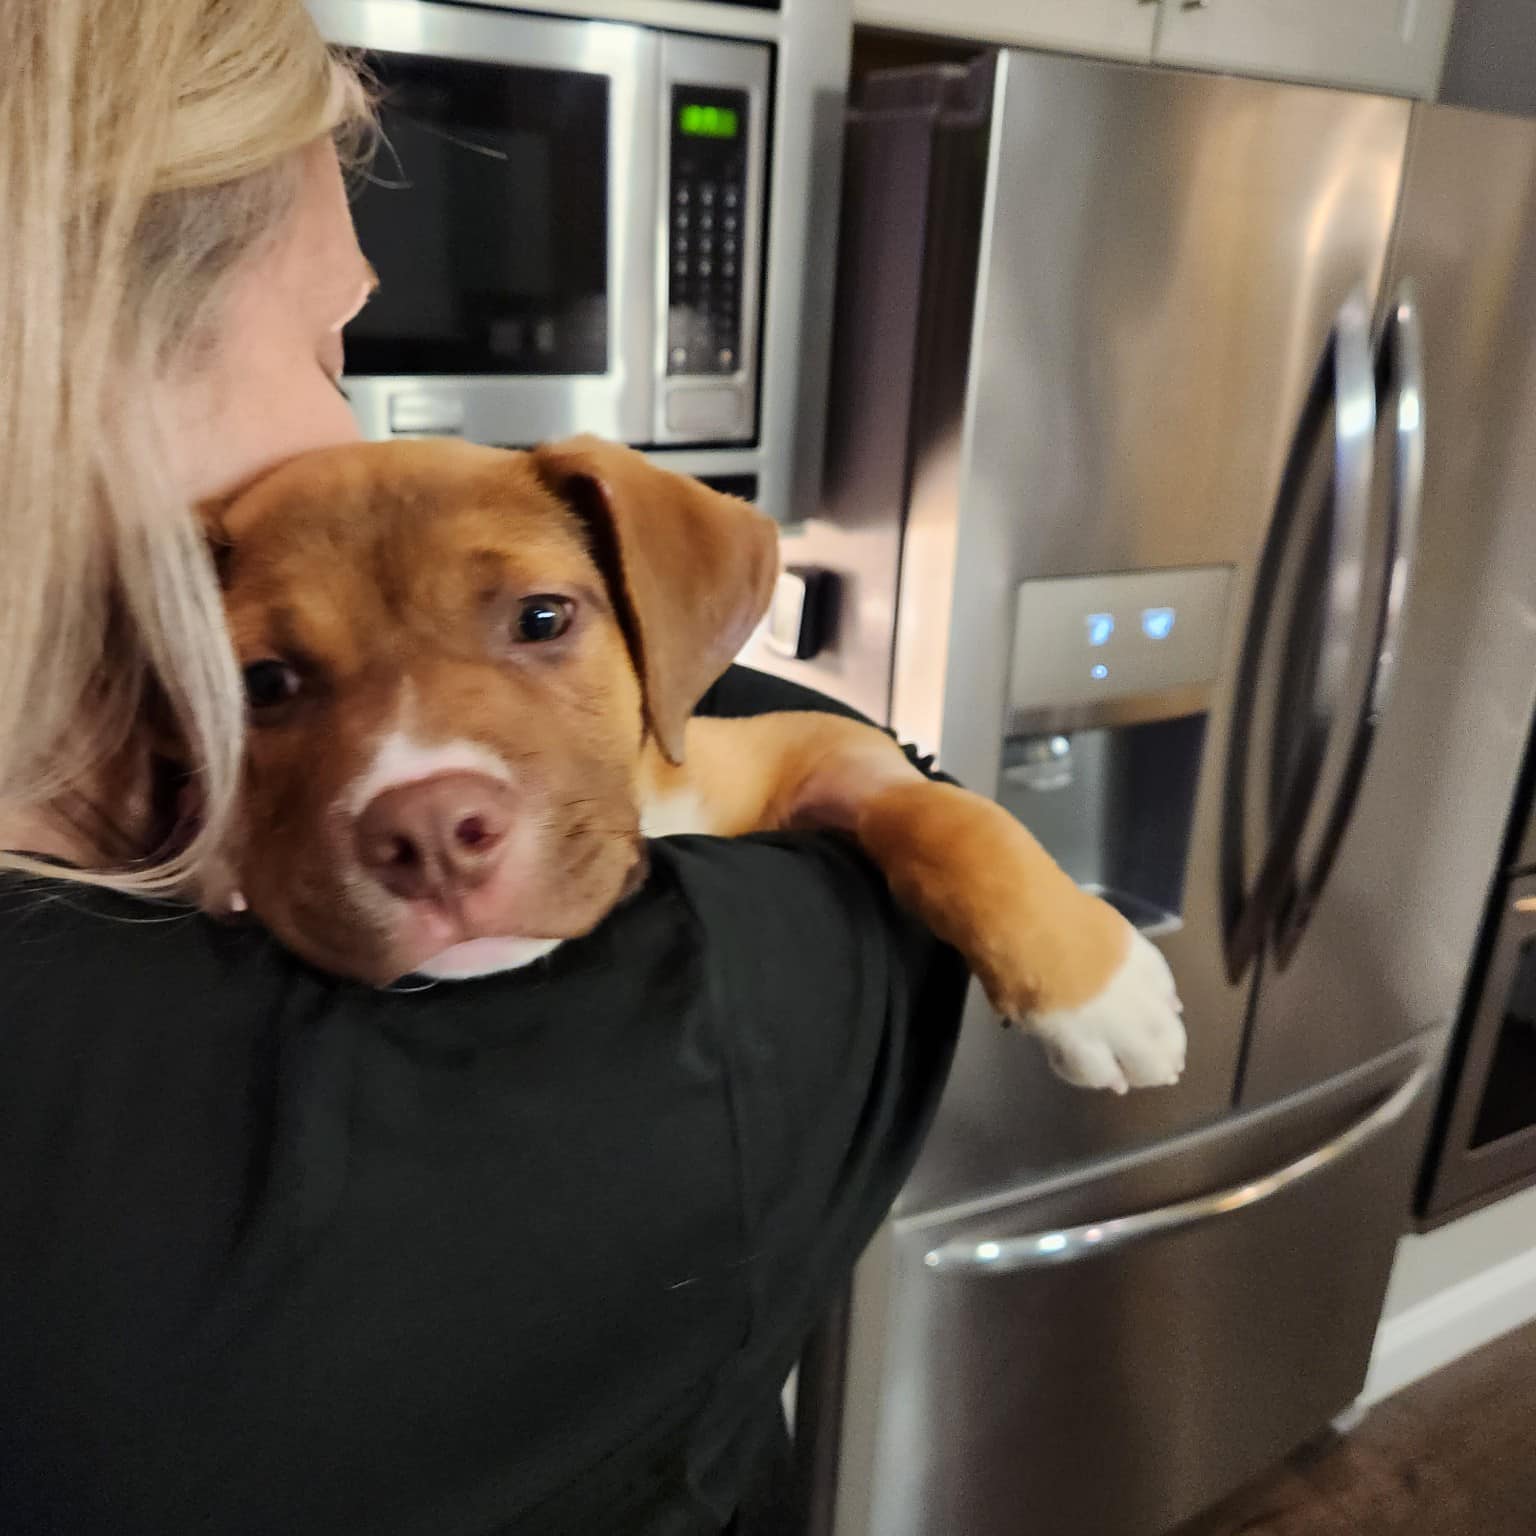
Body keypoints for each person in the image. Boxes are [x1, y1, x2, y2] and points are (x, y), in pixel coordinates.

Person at [0, 4, 967, 1532]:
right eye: (334, 347)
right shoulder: (686, 1023)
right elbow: (893, 836)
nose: (356, 425)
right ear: (81, 385)